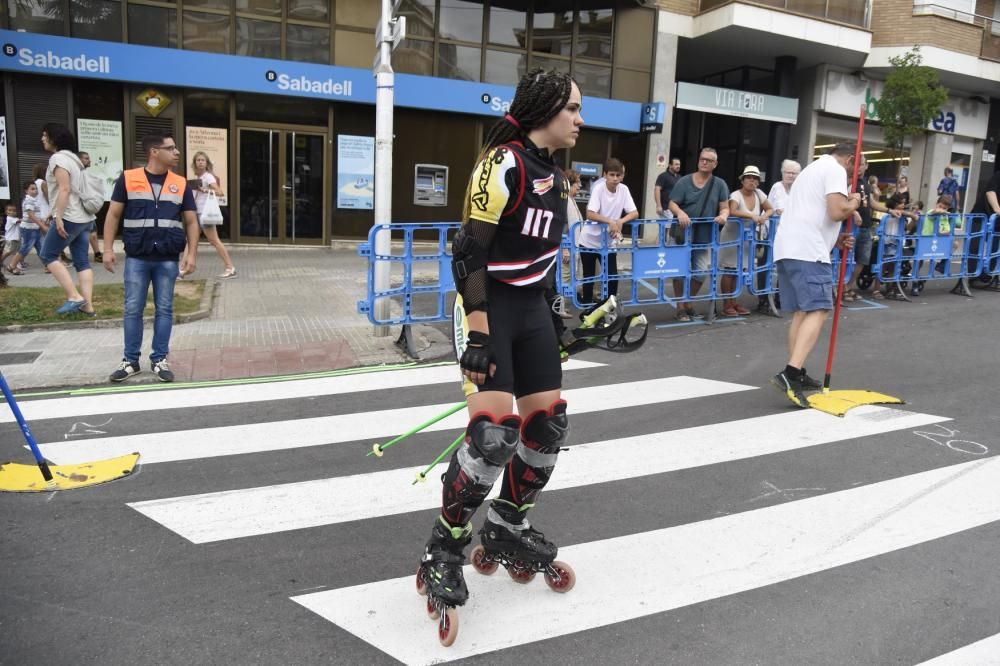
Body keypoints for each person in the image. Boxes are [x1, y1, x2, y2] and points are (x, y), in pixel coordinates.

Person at [418, 68, 582, 620]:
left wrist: (560, 320)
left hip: (533, 311)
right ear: (545, 111)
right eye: (573, 110)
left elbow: (547, 259)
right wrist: (481, 331)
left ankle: (508, 525)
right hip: (488, 308)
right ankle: (444, 546)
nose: (581, 120)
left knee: (547, 428)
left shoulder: (558, 179)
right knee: (492, 438)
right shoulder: (502, 161)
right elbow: (467, 252)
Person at [103, 133, 199, 383]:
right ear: (154, 152)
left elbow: (191, 221)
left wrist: (191, 253)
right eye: (171, 148)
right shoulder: (128, 178)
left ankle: (159, 359)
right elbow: (113, 215)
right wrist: (109, 249)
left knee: (165, 309)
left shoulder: (181, 183)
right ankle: (130, 361)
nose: (177, 152)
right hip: (137, 256)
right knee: (132, 308)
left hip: (167, 256)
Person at [770, 143, 859, 407]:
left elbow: (816, 214)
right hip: (809, 251)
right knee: (819, 308)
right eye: (859, 166)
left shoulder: (811, 169)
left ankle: (797, 369)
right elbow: (836, 210)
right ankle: (791, 373)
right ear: (850, 159)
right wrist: (854, 202)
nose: (858, 172)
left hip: (789, 247)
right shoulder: (835, 170)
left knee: (802, 310)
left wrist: (836, 239)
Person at [37, 124, 98, 316]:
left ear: (55, 138)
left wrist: (59, 217)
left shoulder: (58, 158)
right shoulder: (75, 160)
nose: (42, 139)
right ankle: (87, 306)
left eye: (45, 135)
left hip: (70, 217)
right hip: (85, 218)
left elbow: (64, 189)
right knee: (82, 261)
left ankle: (74, 296)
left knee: (47, 255)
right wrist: (53, 212)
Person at [667, 147, 730, 322]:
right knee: (679, 271)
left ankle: (688, 301)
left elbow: (725, 206)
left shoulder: (719, 184)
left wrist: (723, 215)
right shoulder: (684, 181)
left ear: (715, 164)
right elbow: (672, 203)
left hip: (704, 235)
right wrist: (680, 213)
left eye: (709, 160)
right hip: (681, 232)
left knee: (700, 272)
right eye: (702, 159)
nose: (704, 162)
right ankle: (681, 306)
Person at [579, 157, 637, 305]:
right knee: (589, 277)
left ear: (622, 176)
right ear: (605, 175)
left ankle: (610, 306)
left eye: (618, 175)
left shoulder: (624, 190)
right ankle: (587, 308)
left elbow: (634, 212)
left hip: (609, 242)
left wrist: (620, 221)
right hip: (589, 241)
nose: (615, 178)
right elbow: (590, 213)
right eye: (612, 174)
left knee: (612, 276)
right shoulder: (598, 188)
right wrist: (611, 221)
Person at [844, 157, 900, 302]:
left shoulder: (866, 183)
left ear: (866, 166)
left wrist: (889, 210)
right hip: (850, 227)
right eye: (856, 164)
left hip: (866, 226)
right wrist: (853, 212)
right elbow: (842, 201)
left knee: (863, 259)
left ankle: (849, 287)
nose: (859, 168)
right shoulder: (847, 181)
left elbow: (872, 203)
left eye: (861, 164)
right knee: (847, 259)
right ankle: (842, 288)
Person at [723, 165, 772, 316]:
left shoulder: (759, 194)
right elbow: (732, 210)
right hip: (731, 236)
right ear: (743, 180)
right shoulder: (735, 194)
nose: (752, 181)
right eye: (749, 178)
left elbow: (770, 208)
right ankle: (726, 304)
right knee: (729, 270)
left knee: (740, 271)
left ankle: (734, 301)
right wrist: (752, 216)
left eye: (755, 178)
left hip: (746, 238)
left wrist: (764, 216)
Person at [180, 151, 236, 279]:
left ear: (206, 163)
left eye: (203, 160)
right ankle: (183, 269)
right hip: (196, 212)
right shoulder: (197, 178)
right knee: (190, 241)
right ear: (194, 163)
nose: (200, 162)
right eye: (198, 160)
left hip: (205, 213)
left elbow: (220, 192)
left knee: (214, 240)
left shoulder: (208, 177)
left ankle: (230, 267)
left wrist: (205, 190)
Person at [871, 194, 914, 301]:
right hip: (887, 243)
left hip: (897, 243)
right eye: (901, 203)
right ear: (894, 204)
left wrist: (913, 219)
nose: (903, 205)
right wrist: (907, 214)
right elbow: (895, 216)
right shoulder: (888, 215)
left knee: (893, 267)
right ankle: (876, 289)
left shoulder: (904, 217)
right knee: (883, 266)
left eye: (904, 203)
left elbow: (907, 228)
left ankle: (890, 289)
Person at [6, 182, 48, 276]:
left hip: (35, 228)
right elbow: (31, 215)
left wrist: (42, 221)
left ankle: (48, 266)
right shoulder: (29, 200)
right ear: (26, 191)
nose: (35, 191)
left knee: (41, 247)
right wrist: (43, 226)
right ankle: (11, 266)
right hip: (29, 229)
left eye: (36, 189)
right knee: (25, 248)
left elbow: (35, 215)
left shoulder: (33, 200)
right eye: (32, 189)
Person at [78, 151, 104, 263]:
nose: (89, 160)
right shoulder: (78, 174)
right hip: (80, 210)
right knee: (84, 235)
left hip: (88, 210)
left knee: (91, 233)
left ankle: (95, 254)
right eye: (86, 158)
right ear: (79, 160)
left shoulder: (85, 174)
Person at [2, 202, 20, 277]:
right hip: (11, 239)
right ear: (6, 212)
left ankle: (14, 266)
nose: (12, 212)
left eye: (14, 210)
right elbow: (19, 221)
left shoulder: (14, 218)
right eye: (10, 210)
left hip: (15, 239)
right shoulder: (10, 219)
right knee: (8, 252)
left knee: (15, 253)